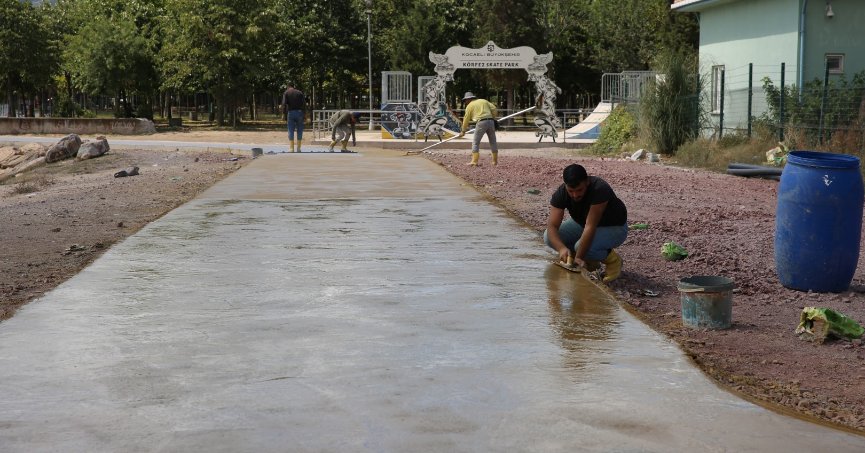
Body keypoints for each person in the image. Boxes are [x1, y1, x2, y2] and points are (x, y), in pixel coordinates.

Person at [544, 163, 628, 283]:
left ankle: (613, 260)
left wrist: (579, 257)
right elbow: (552, 226)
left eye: (579, 190)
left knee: (581, 248)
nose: (575, 195)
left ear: (587, 182)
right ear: (566, 186)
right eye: (571, 191)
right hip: (582, 224)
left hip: (615, 227)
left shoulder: (599, 189)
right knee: (548, 237)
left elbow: (590, 226)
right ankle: (589, 261)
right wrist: (561, 249)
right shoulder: (561, 193)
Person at [456, 92, 499, 166]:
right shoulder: (483, 101)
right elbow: (494, 109)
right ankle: (495, 161)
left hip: (481, 122)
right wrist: (493, 117)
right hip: (491, 121)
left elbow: (466, 119)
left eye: (465, 100)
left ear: (469, 99)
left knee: (475, 142)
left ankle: (474, 161)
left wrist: (463, 131)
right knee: (493, 141)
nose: (465, 102)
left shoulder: (470, 106)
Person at [282, 82, 306, 152]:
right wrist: (305, 114)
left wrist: (283, 114)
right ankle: (298, 148)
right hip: (299, 113)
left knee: (290, 129)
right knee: (300, 130)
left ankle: (291, 148)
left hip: (291, 113)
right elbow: (304, 104)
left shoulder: (286, 93)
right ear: (294, 86)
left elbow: (284, 104)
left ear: (288, 86)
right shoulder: (300, 93)